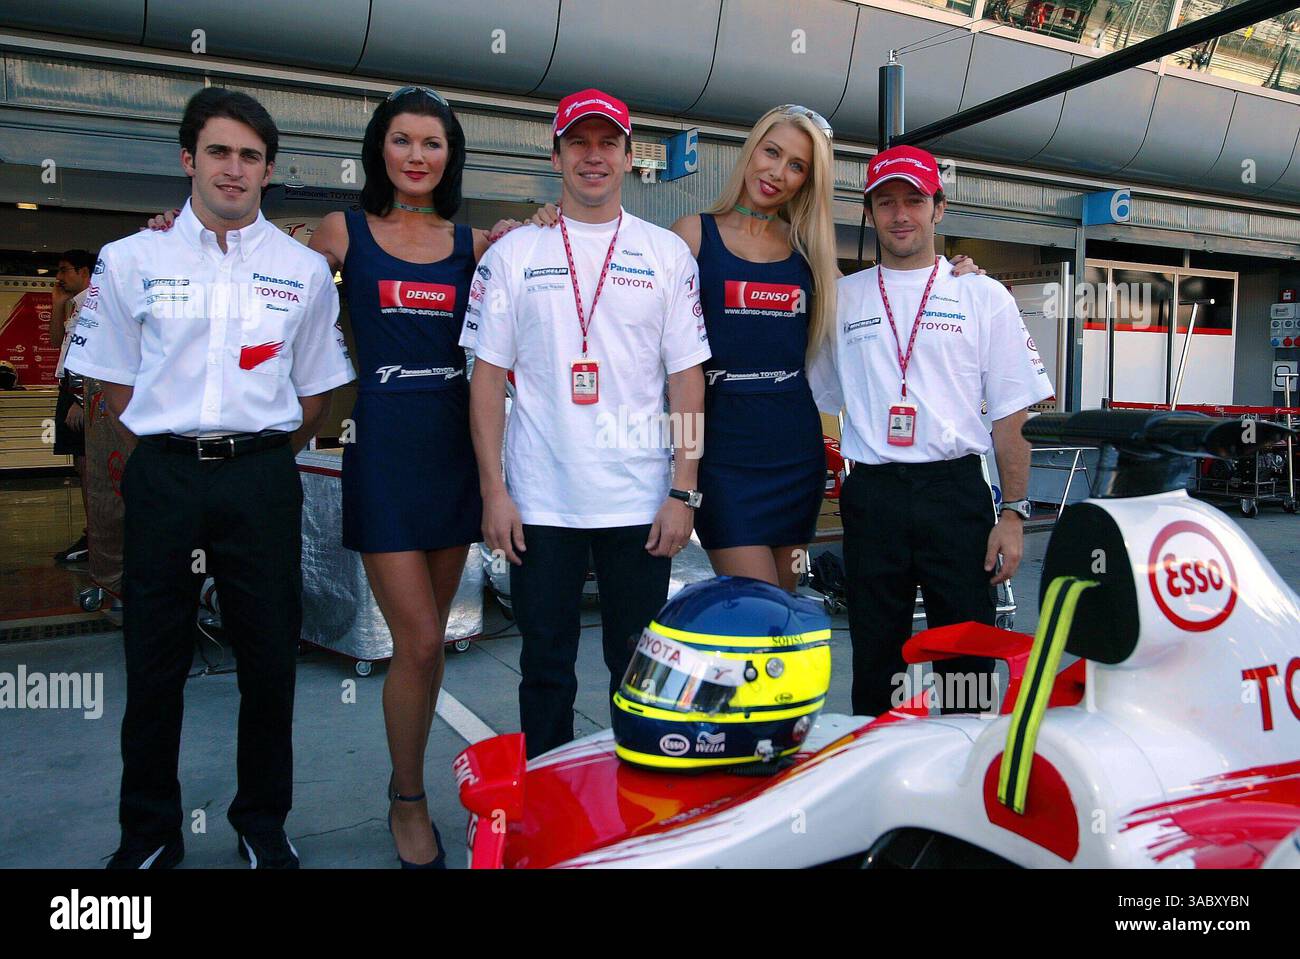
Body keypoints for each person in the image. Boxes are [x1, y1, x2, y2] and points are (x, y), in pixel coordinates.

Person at [65, 87, 355, 870]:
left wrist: (254, 448)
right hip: (162, 478)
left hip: (261, 478)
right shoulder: (130, 259)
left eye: (251, 157)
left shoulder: (300, 269)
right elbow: (113, 385)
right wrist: (178, 444)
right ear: (188, 159)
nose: (234, 170)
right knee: (154, 659)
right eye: (219, 152)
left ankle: (261, 820)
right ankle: (149, 832)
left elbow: (317, 387)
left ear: (269, 171)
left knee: (269, 658)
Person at [526, 108, 981, 591]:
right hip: (721, 453)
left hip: (794, 449)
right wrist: (546, 227)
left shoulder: (809, 251)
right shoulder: (692, 234)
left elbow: (886, 308)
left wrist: (951, 279)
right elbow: (630, 311)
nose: (777, 172)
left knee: (781, 617)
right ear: (752, 150)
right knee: (757, 610)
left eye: (797, 166)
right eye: (772, 152)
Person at [462, 88, 709, 759]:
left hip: (638, 501)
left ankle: (642, 808)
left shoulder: (666, 255)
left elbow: (688, 379)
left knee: (640, 672)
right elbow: (486, 378)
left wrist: (683, 489)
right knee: (544, 670)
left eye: (608, 144)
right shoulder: (512, 255)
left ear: (630, 158)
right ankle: (546, 811)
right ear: (557, 154)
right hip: (540, 502)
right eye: (579, 142)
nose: (593, 156)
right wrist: (494, 490)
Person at [306, 86, 514, 869]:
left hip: (453, 454)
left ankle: (414, 779)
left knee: (425, 652)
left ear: (450, 156)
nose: (418, 155)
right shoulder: (345, 231)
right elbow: (265, 267)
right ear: (379, 150)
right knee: (421, 637)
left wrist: (531, 230)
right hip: (384, 452)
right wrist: (182, 229)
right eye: (403, 140)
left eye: (433, 143)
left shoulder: (475, 246)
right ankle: (407, 797)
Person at [809, 144, 1052, 718]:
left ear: (938, 208)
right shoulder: (843, 298)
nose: (900, 215)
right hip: (873, 493)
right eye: (885, 203)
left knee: (966, 650)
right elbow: (821, 398)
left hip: (957, 492)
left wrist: (1014, 514)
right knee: (876, 651)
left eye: (913, 201)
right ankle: (877, 766)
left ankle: (969, 767)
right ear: (868, 214)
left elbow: (1012, 413)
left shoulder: (983, 295)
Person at [49, 249, 97, 563]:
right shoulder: (74, 306)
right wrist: (57, 305)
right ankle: (93, 532)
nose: (59, 277)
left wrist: (82, 399)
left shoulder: (96, 304)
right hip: (70, 388)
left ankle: (100, 535)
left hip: (86, 393)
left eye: (65, 270)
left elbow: (97, 355)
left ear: (84, 272)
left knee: (92, 467)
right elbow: (56, 342)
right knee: (82, 466)